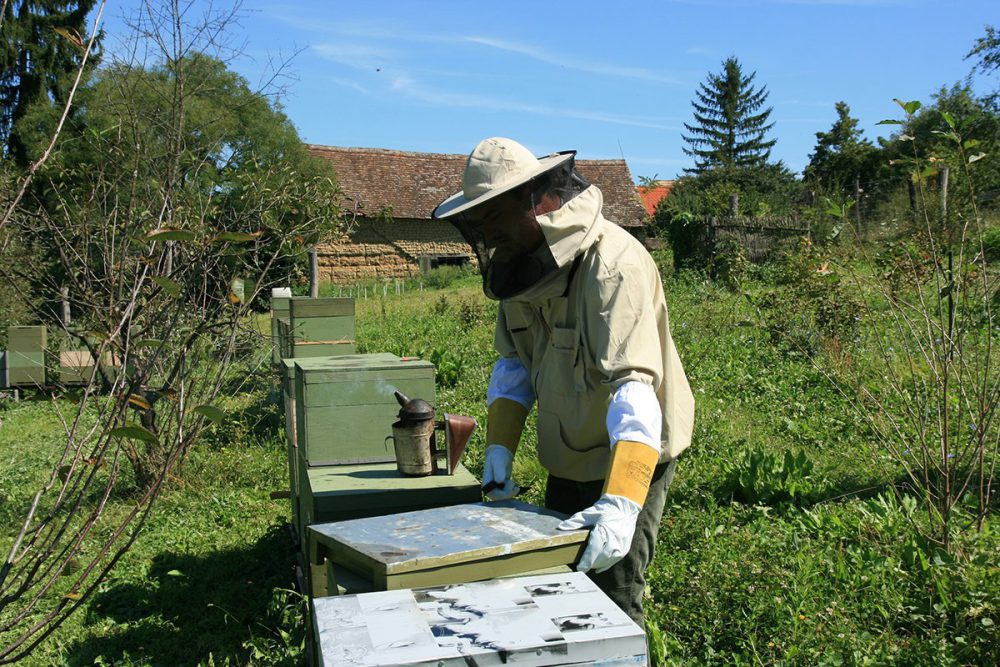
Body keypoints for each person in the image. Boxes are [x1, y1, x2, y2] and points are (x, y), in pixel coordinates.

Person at [432, 137, 694, 625]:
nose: (488, 236)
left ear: (535, 201)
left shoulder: (613, 266)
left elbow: (633, 389)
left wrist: (619, 503)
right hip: (567, 452)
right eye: (479, 225)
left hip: (630, 455)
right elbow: (513, 365)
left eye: (493, 219)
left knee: (613, 600)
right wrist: (499, 450)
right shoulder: (519, 269)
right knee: (559, 588)